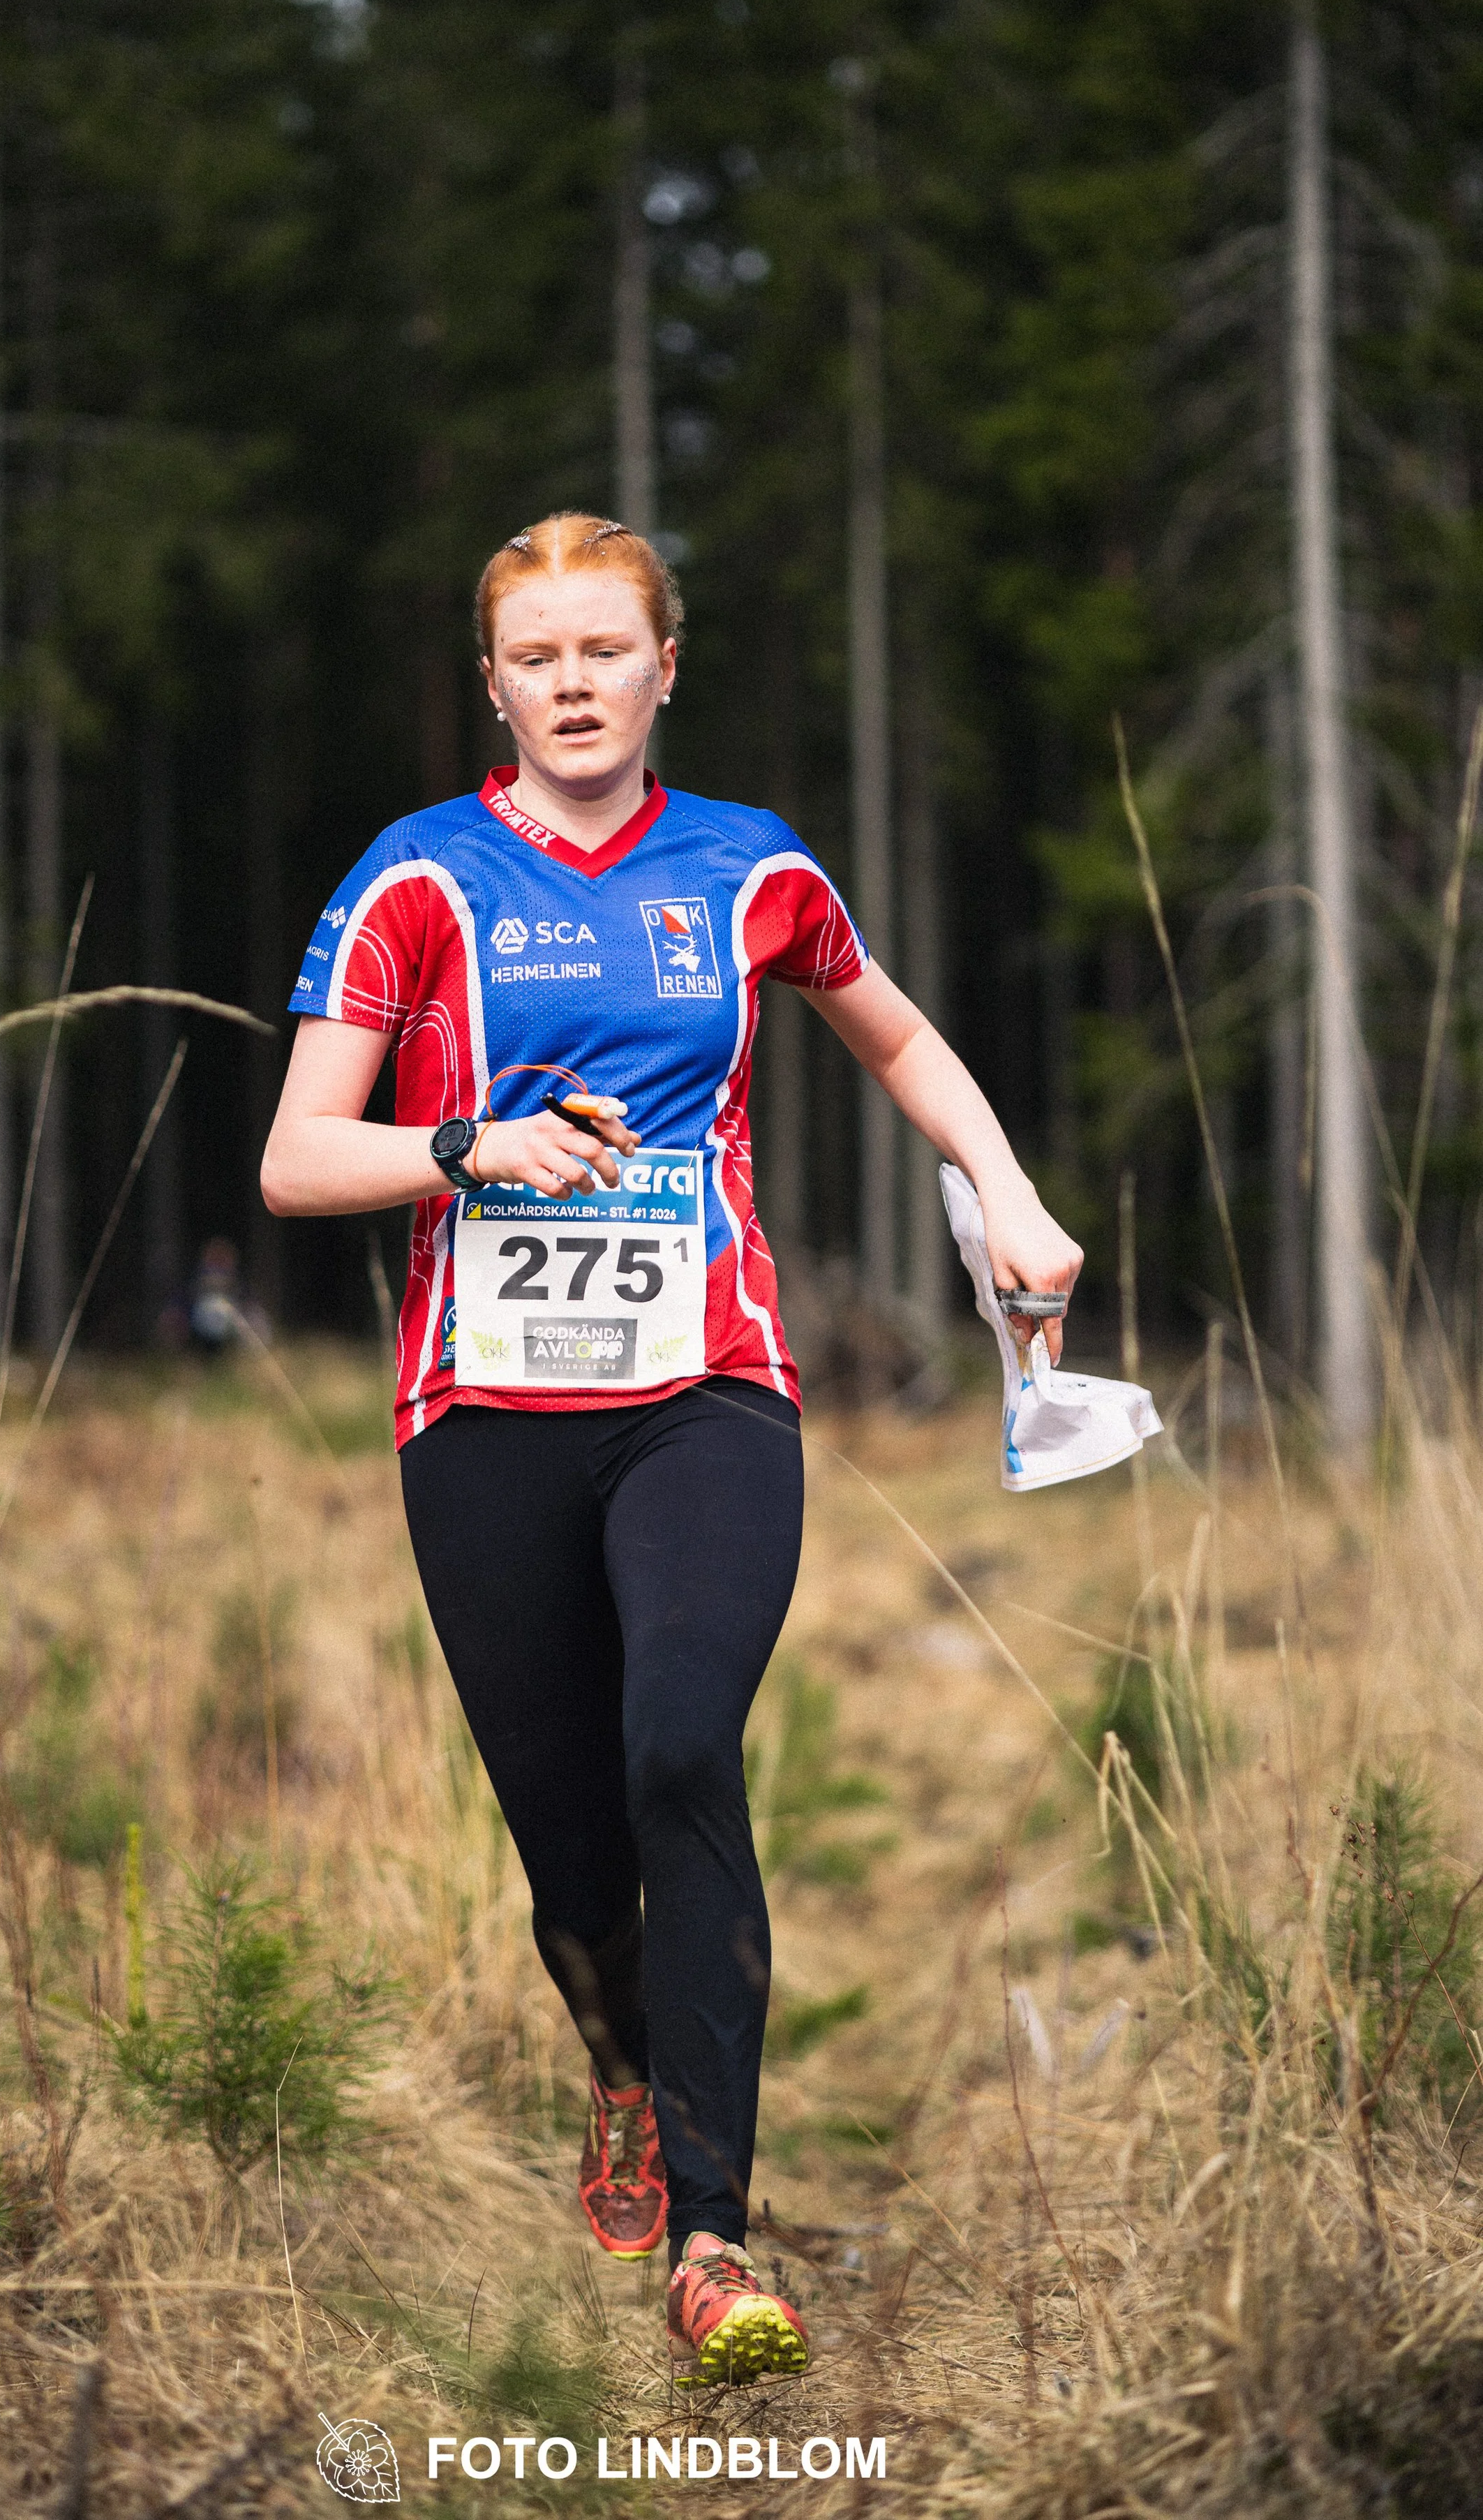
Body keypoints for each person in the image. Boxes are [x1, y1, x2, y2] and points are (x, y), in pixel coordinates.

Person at [262, 511, 1081, 2387]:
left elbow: (892, 1037)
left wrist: (1009, 1191)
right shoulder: (416, 881)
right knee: (568, 1855)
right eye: (533, 655)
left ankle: (714, 2227)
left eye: (601, 650)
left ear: (661, 670)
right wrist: (461, 1144)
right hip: (478, 1412)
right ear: (494, 683)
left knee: (680, 1740)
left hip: (704, 1386)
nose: (570, 682)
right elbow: (300, 1158)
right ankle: (622, 2065)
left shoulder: (745, 866)